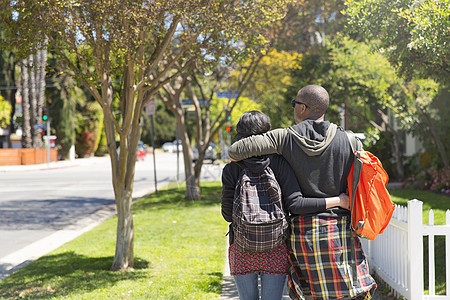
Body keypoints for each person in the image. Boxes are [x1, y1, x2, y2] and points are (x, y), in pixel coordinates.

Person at [227, 86, 377, 300]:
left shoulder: (283, 138)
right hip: (340, 232)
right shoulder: (350, 141)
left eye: (294, 103)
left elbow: (235, 151)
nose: (293, 107)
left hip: (303, 235)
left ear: (303, 108)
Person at [221, 110, 350, 300]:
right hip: (276, 247)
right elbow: (295, 204)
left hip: (242, 247)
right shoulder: (280, 163)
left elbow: (226, 214)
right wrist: (339, 200)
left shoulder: (231, 168)